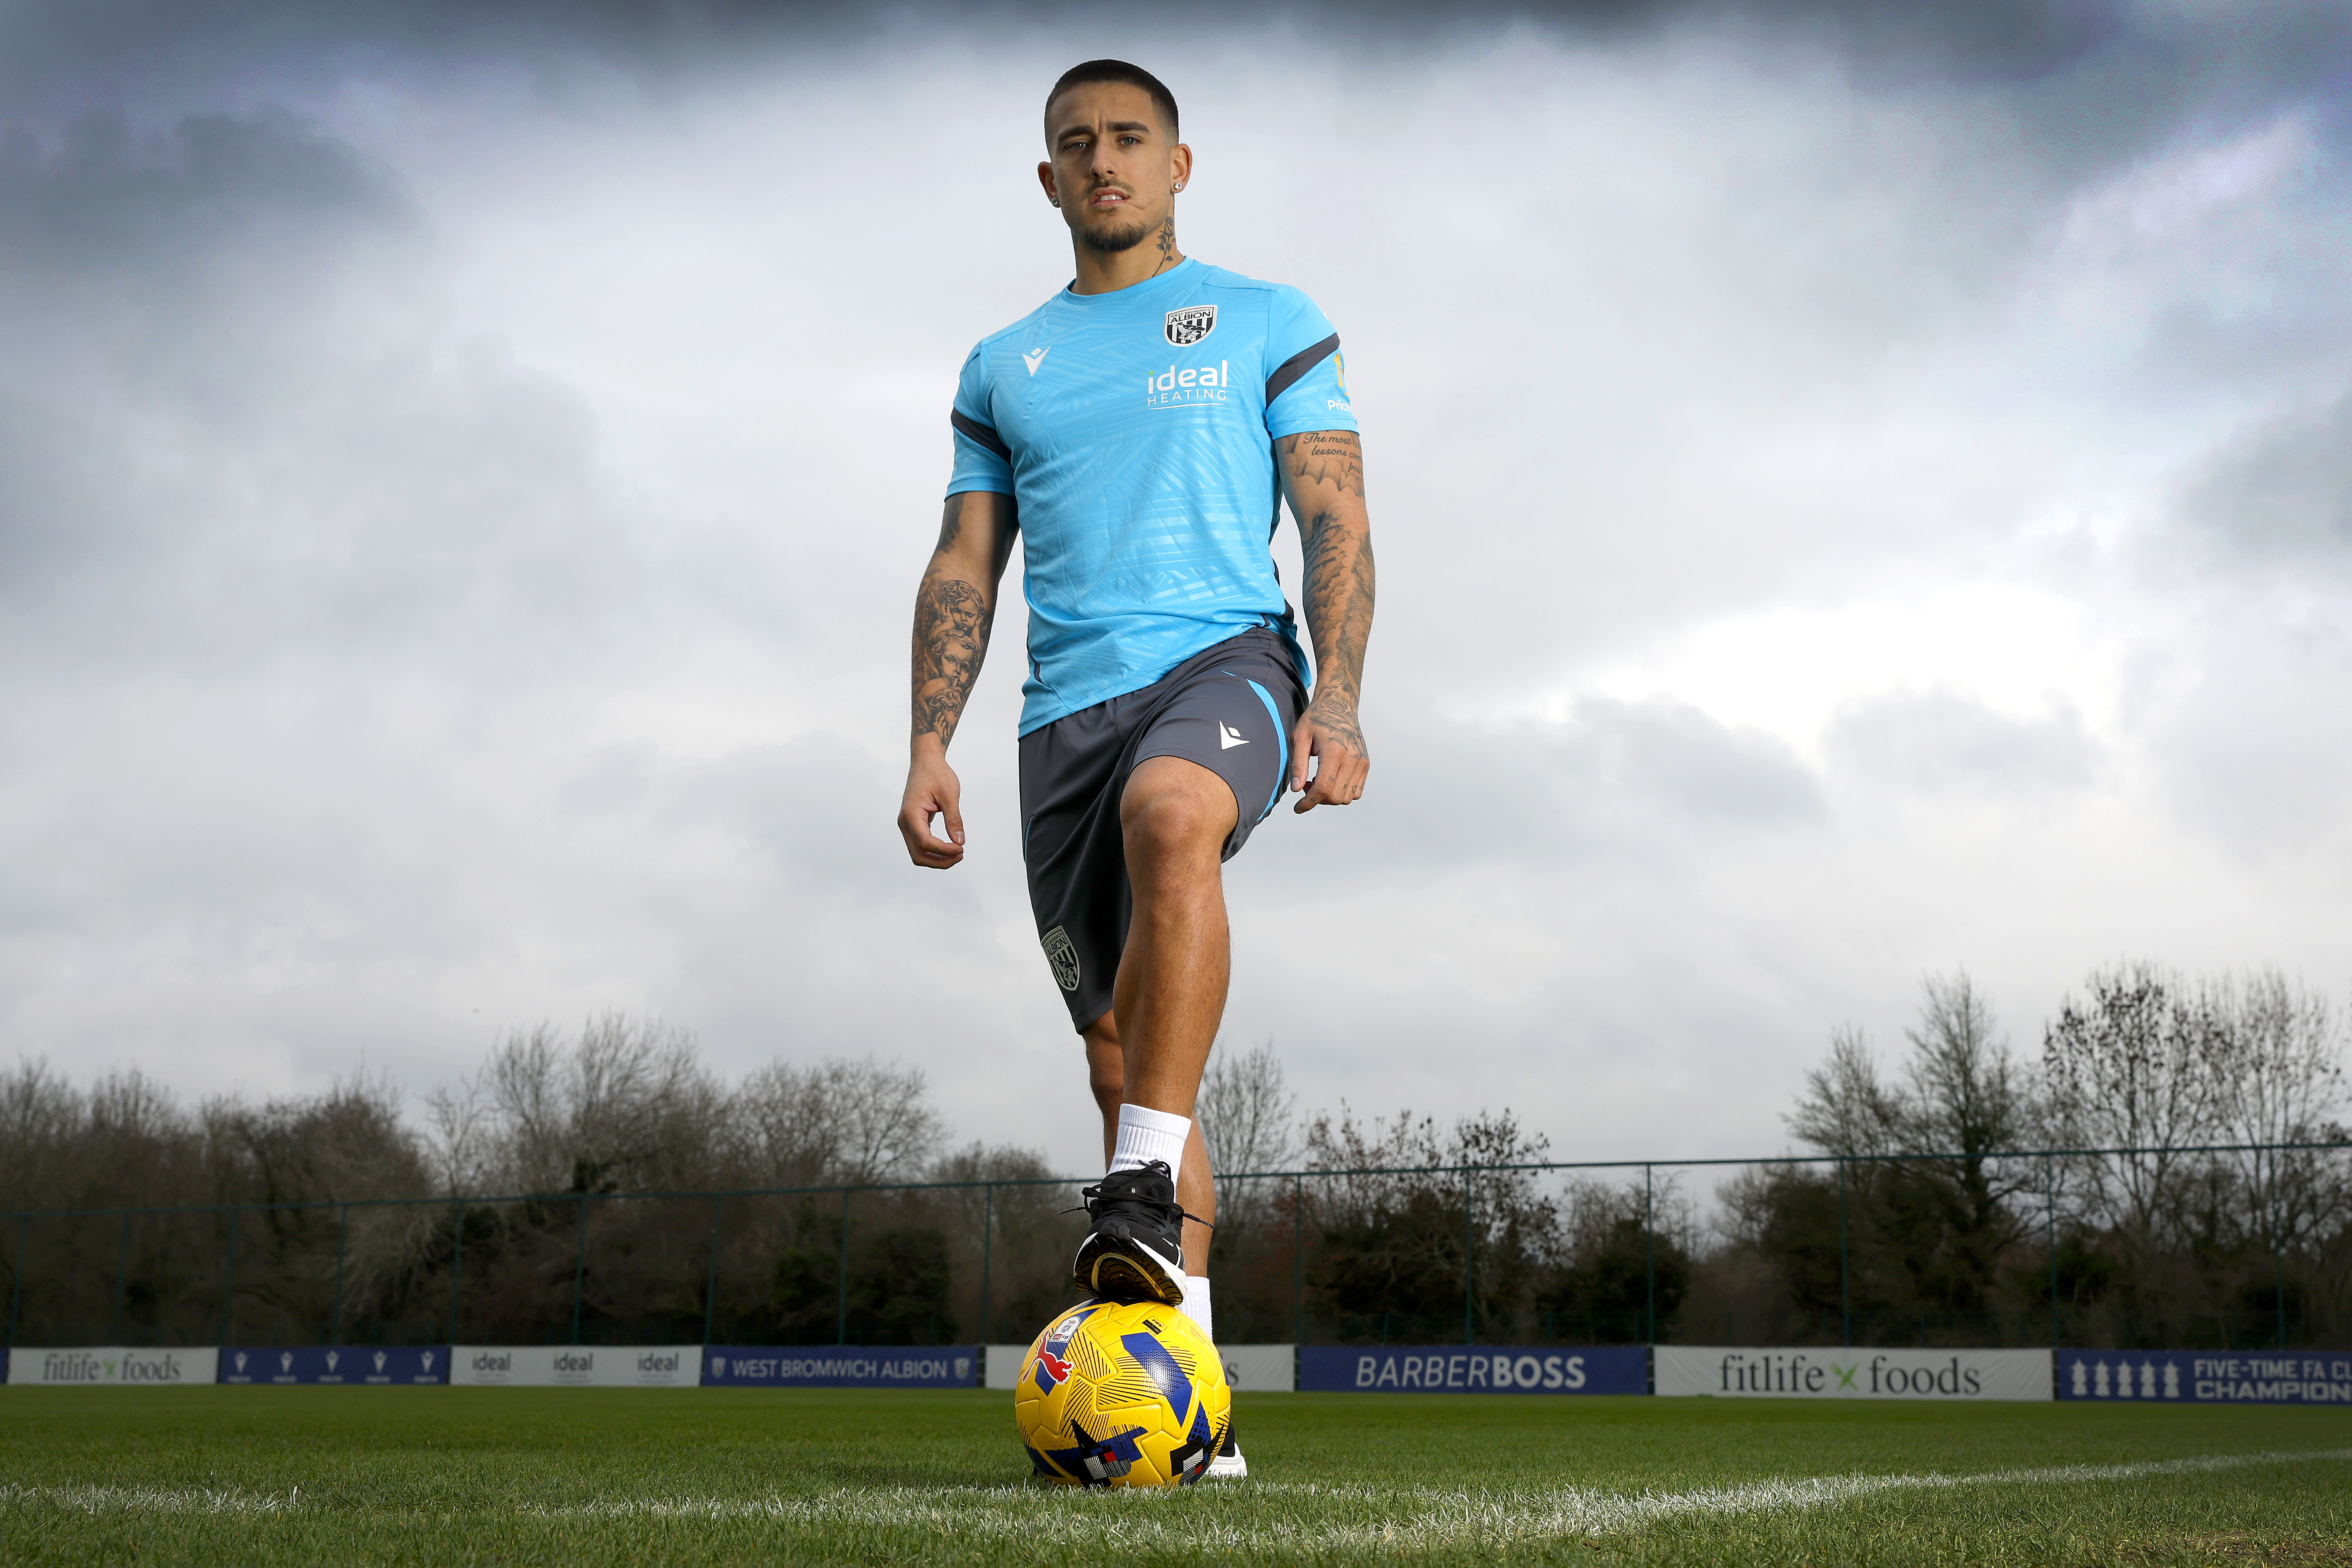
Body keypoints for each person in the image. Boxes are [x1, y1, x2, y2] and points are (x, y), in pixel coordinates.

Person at [895, 59, 1375, 1479]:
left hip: (1222, 664)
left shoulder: (1268, 322)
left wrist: (1334, 701)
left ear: (1179, 164)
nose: (1101, 162)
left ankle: (1137, 1206)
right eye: (1073, 147)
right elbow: (963, 561)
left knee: (1176, 819)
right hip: (1059, 722)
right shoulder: (1003, 365)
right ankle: (1198, 1403)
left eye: (1127, 140)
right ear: (1047, 181)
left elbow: (1336, 521)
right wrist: (929, 737)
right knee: (1120, 1058)